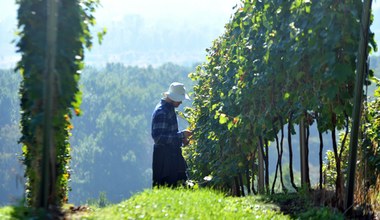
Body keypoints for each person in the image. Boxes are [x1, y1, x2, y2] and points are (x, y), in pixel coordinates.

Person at [151, 82, 192, 187]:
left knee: (180, 185)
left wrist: (181, 140)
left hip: (171, 156)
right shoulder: (162, 112)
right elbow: (159, 138)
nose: (181, 102)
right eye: (180, 99)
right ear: (173, 98)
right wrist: (181, 135)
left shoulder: (169, 109)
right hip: (164, 159)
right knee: (167, 187)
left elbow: (169, 135)